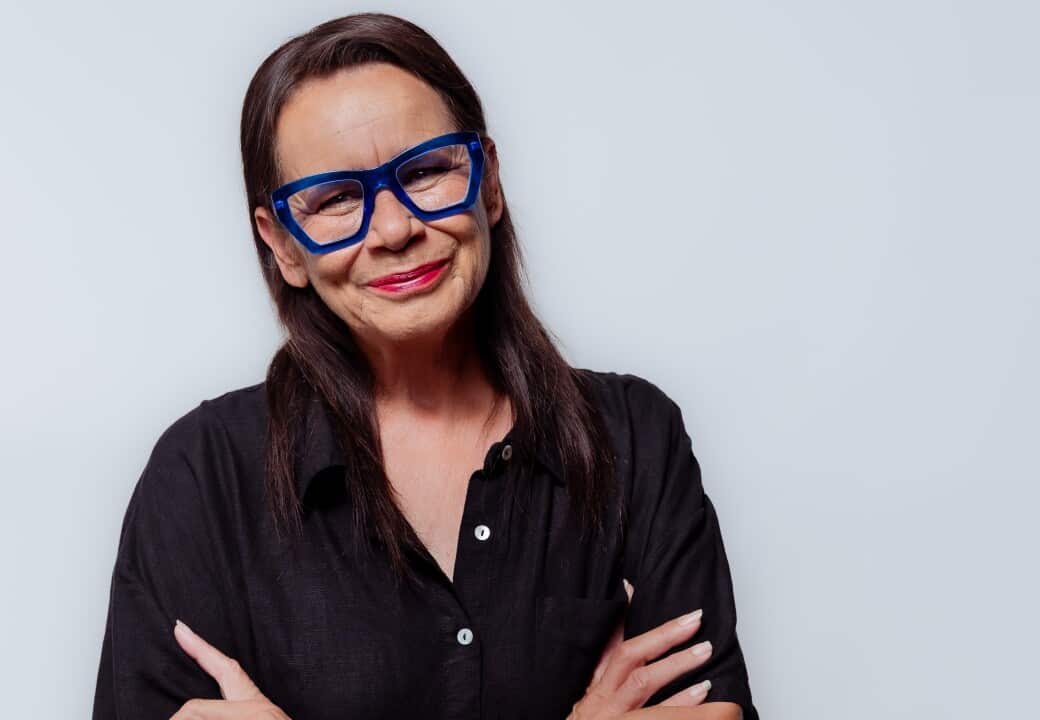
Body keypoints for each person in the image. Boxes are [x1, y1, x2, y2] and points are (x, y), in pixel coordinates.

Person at [91, 12, 758, 720]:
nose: (394, 228)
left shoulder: (635, 441)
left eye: (427, 170)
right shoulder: (204, 478)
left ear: (488, 181)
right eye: (336, 199)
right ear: (283, 245)